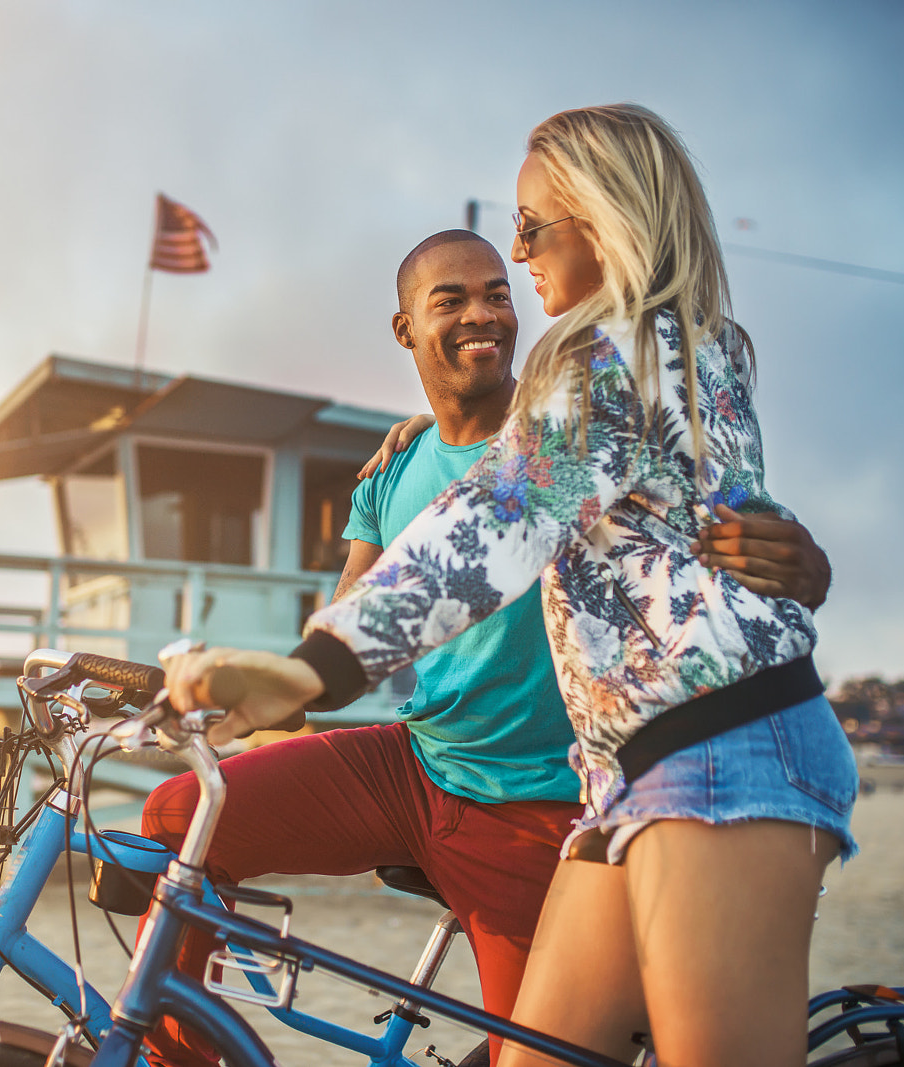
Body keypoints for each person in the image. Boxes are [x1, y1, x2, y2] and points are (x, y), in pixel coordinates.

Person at [164, 104, 859, 1067]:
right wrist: (801, 570)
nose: (521, 250)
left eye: (533, 227)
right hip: (632, 771)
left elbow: (500, 520)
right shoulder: (702, 347)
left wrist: (319, 668)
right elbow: (718, 525)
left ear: (607, 217)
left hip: (718, 751)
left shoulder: (609, 355)